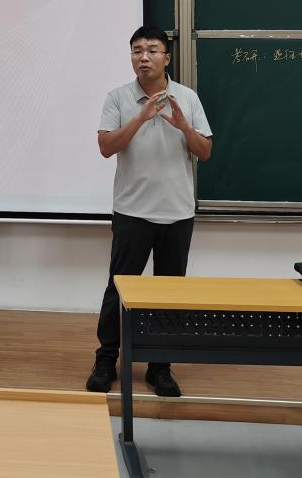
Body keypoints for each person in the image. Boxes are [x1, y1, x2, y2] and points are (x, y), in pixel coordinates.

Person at [85, 26, 213, 397]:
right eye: (137, 50)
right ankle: (106, 359)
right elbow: (106, 147)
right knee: (118, 289)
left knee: (169, 293)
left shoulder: (187, 98)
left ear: (166, 57)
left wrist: (183, 126)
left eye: (152, 50)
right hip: (132, 211)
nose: (144, 57)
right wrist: (140, 117)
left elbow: (204, 152)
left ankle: (160, 366)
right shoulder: (118, 97)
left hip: (177, 212)